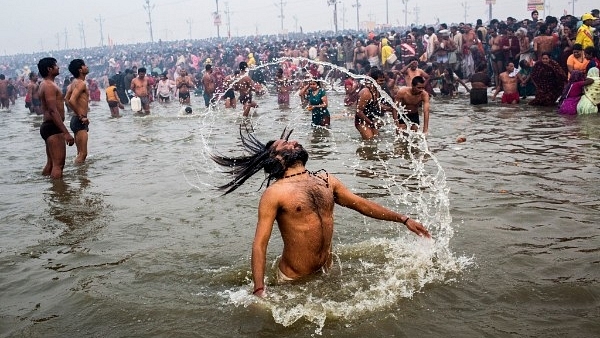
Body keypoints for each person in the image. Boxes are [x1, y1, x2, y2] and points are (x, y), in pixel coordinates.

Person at [210, 128, 431, 297]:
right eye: (286, 144)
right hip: (294, 280)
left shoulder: (326, 180)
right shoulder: (274, 193)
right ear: (276, 158)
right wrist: (259, 289)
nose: (295, 142)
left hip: (327, 270)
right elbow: (260, 244)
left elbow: (361, 204)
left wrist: (404, 219)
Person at [37, 57, 75, 179]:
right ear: (49, 69)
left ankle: (48, 189)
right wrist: (66, 132)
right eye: (56, 65)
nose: (58, 67)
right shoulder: (48, 86)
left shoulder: (45, 84)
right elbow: (53, 110)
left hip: (49, 126)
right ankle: (59, 193)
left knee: (51, 164)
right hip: (53, 127)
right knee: (58, 165)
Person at [64, 59, 90, 164]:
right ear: (80, 70)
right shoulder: (81, 83)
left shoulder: (73, 83)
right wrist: (81, 115)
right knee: (83, 154)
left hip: (75, 119)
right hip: (79, 120)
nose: (87, 67)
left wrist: (76, 113)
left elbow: (66, 98)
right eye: (84, 65)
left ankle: (80, 177)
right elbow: (71, 100)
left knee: (80, 153)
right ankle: (81, 178)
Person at [355, 68, 386, 139]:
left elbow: (377, 105)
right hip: (361, 121)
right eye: (380, 80)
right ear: (373, 80)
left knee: (376, 139)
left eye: (384, 80)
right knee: (369, 140)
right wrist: (371, 123)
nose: (383, 83)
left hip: (371, 119)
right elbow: (358, 111)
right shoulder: (366, 92)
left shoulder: (377, 90)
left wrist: (390, 108)